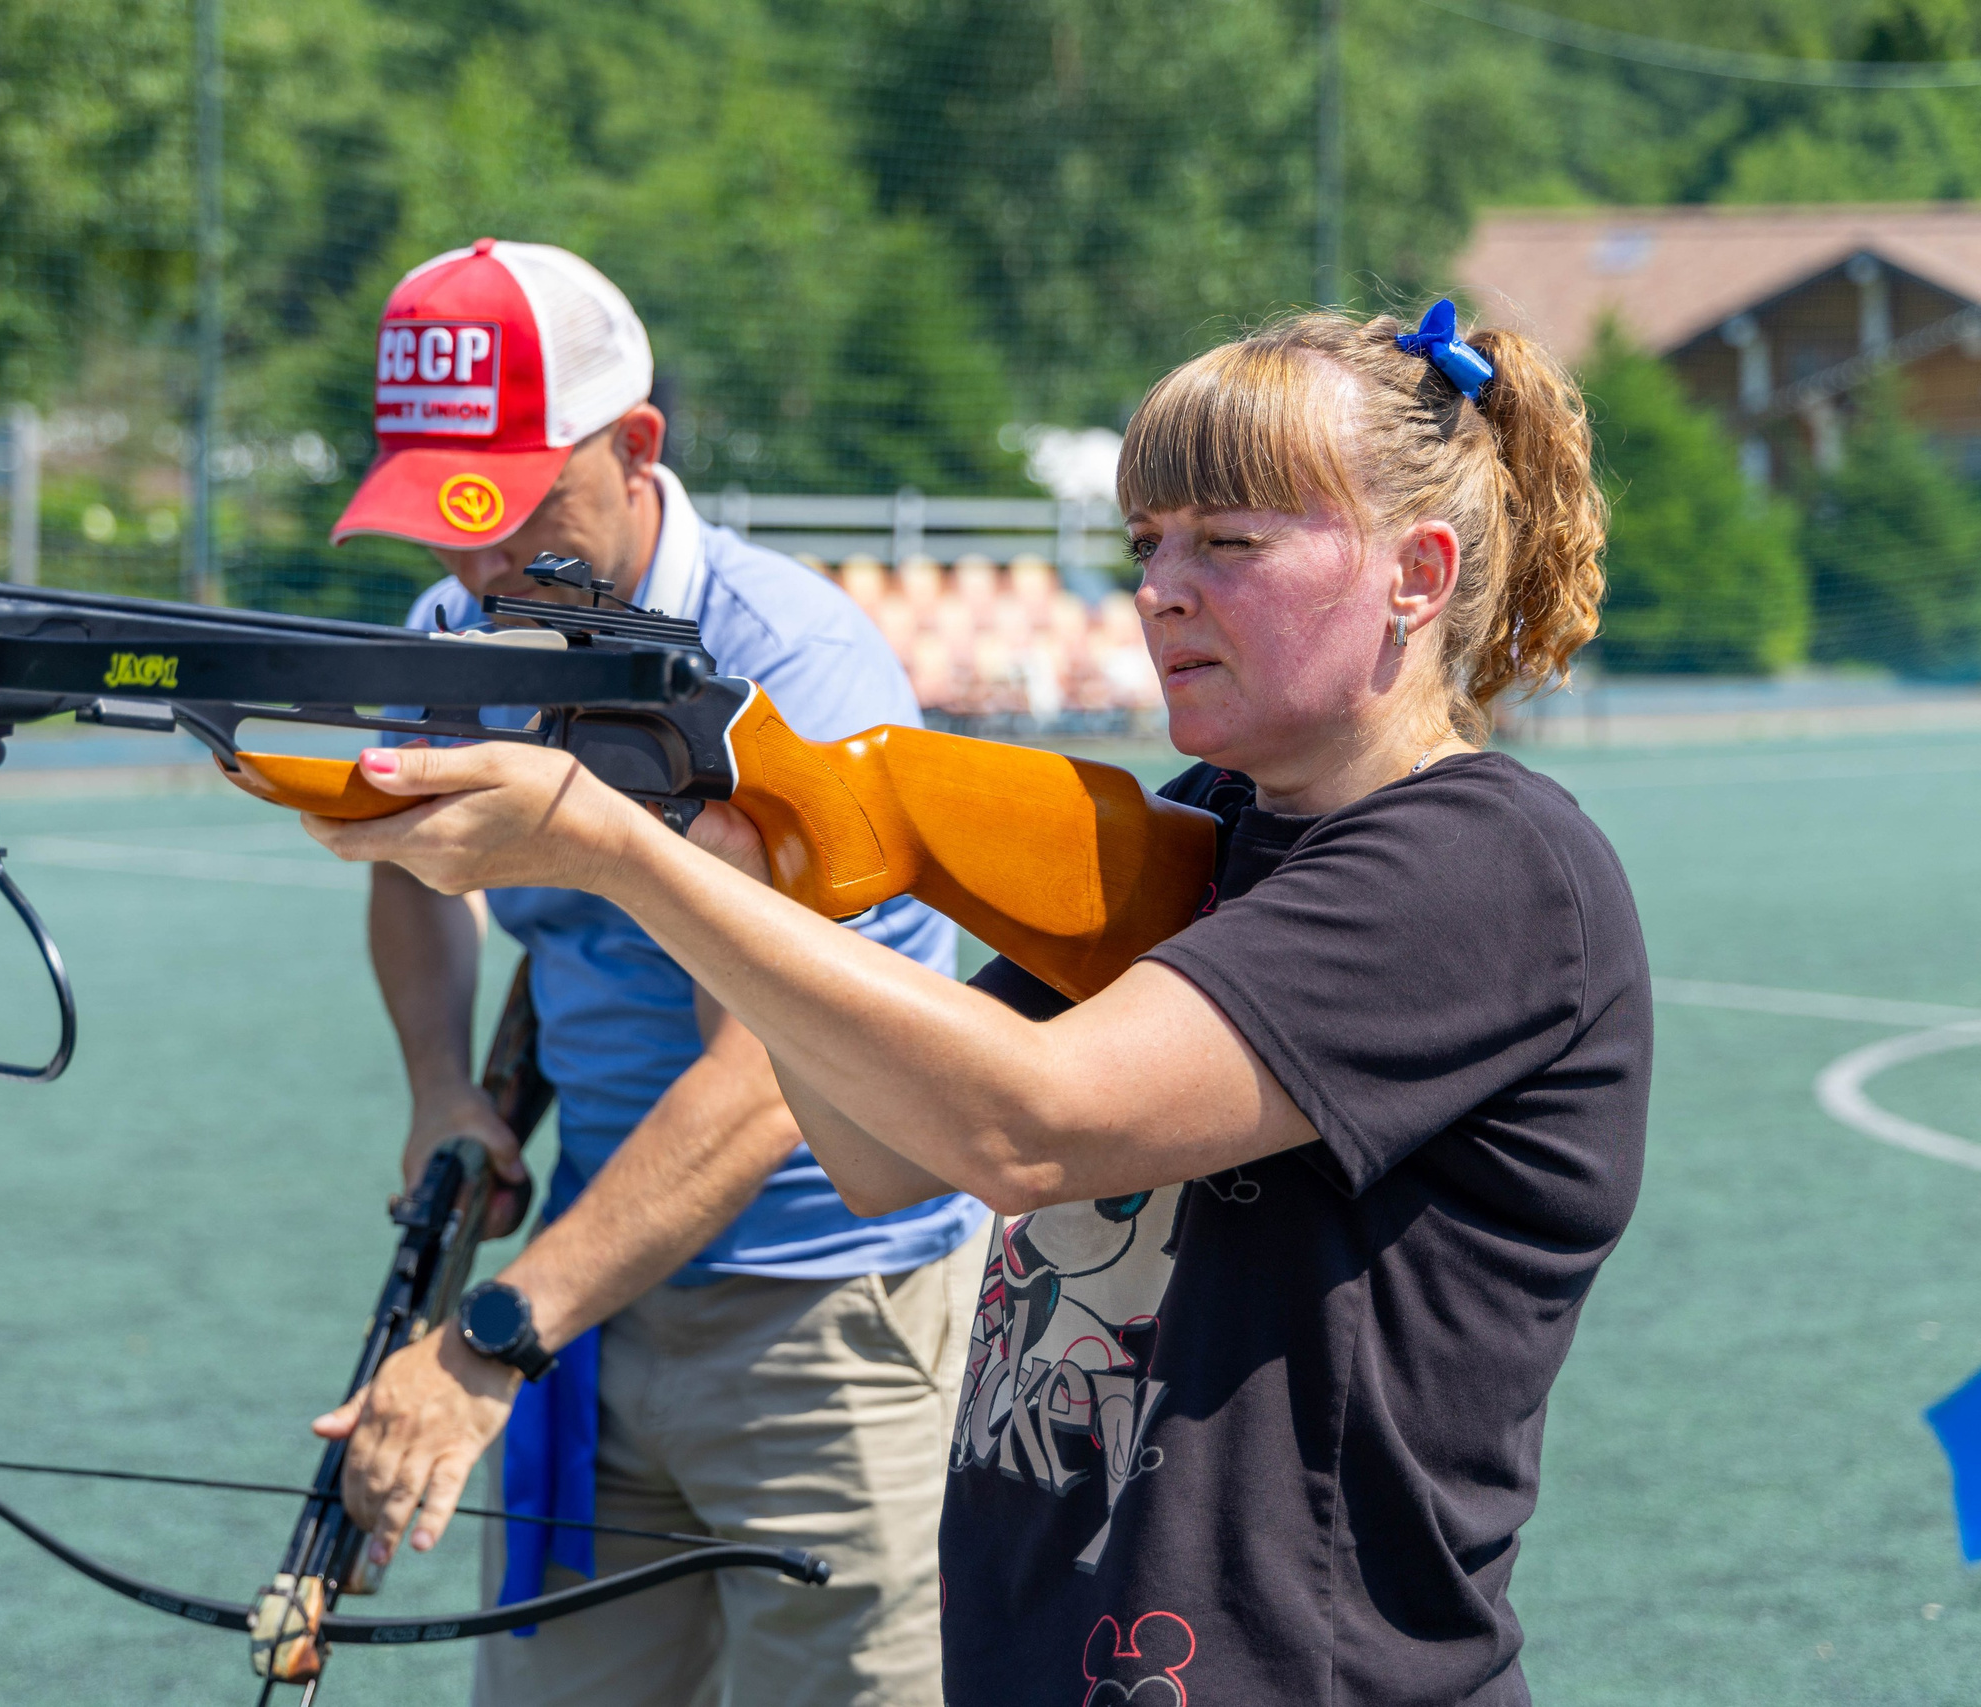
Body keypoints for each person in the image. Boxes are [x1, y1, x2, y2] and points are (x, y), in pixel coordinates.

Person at [301, 302, 1654, 1705]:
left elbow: (1028, 1130)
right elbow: (888, 1154)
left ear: (1417, 574)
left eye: (1231, 543)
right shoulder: (1197, 834)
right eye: (1150, 545)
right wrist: (743, 867)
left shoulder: (1484, 867)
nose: (1162, 590)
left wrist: (619, 851)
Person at [313, 236, 989, 1707]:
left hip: (829, 1323)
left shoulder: (793, 667)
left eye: (513, 510)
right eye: (443, 518)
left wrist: (491, 1340)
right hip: (595, 1301)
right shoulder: (457, 628)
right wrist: (441, 1088)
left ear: (634, 448)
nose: (477, 568)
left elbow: (762, 1090)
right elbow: (403, 868)